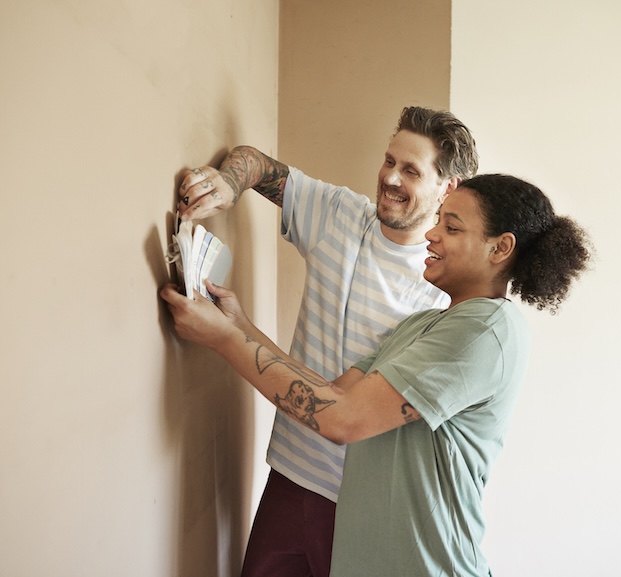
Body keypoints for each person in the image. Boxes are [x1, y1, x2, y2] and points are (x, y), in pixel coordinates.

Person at [161, 173, 592, 576]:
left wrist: (223, 340)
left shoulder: (487, 329)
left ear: (500, 248)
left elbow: (341, 420)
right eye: (439, 221)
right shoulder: (422, 324)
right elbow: (331, 396)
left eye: (453, 228)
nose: (431, 234)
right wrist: (239, 327)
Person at [174, 106, 479, 577]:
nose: (391, 177)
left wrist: (229, 337)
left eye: (411, 170)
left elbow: (345, 403)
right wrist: (228, 183)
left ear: (448, 187)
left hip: (369, 510)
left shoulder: (443, 293)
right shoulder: (339, 214)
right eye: (389, 160)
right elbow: (254, 162)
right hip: (290, 479)